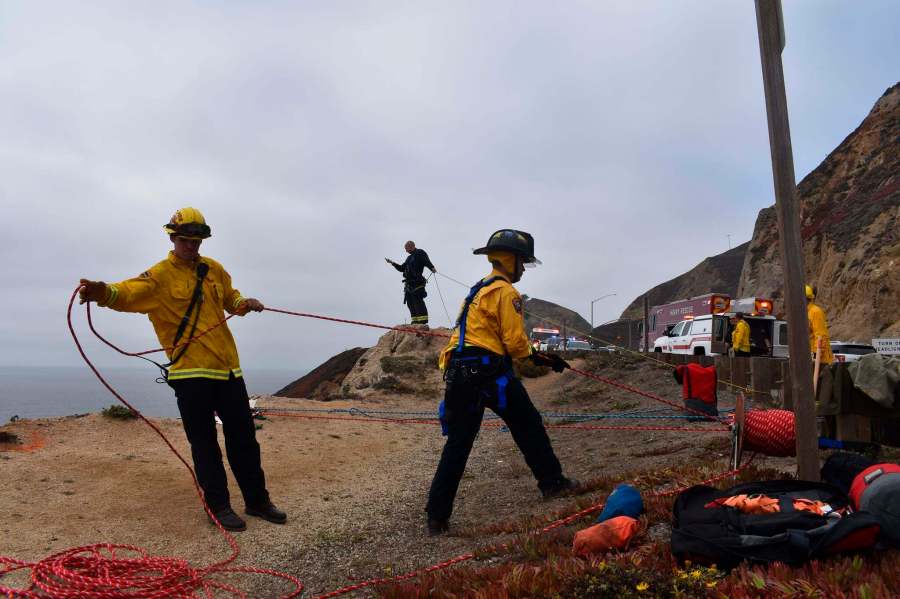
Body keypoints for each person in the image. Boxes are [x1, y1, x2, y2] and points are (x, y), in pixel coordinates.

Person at [78, 207, 286, 532]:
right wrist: (102, 292)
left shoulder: (214, 269)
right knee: (204, 443)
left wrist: (244, 303)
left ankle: (257, 501)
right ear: (173, 238)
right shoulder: (159, 275)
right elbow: (128, 292)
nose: (192, 246)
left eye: (197, 241)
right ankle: (218, 507)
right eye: (186, 240)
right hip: (190, 375)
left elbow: (230, 298)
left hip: (228, 369)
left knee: (244, 440)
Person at [425, 229, 578, 536]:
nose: (523, 269)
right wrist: (544, 359)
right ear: (511, 260)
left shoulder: (477, 291)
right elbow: (515, 343)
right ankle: (552, 483)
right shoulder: (507, 293)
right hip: (490, 373)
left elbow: (461, 336)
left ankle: (437, 517)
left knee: (458, 444)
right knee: (528, 424)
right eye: (522, 262)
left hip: (458, 371)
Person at [386, 241, 435, 327]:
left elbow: (426, 260)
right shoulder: (409, 258)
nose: (406, 251)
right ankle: (415, 320)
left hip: (417, 282)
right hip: (409, 283)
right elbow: (402, 268)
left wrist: (432, 267)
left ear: (411, 246)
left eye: (406, 249)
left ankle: (422, 321)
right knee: (410, 302)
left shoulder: (420, 252)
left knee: (418, 301)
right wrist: (392, 263)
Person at [806, 285, 834, 364]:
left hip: (821, 361)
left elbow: (821, 336)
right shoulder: (805, 312)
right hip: (810, 357)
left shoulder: (815, 312)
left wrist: (816, 355)